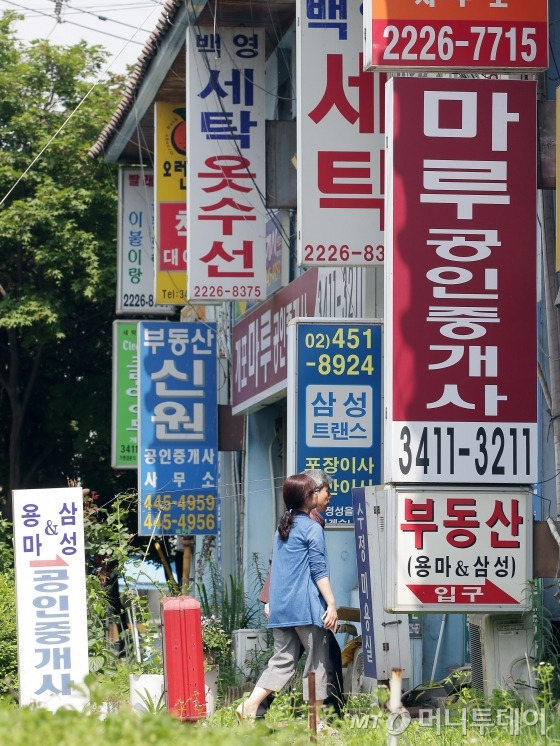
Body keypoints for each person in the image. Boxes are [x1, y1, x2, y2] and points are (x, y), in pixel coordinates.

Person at [236, 473, 338, 733]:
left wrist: (270, 601)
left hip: (281, 609)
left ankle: (250, 705)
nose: (319, 494)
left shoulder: (284, 525)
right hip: (306, 608)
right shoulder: (312, 527)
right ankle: (315, 723)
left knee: (282, 662)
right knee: (317, 664)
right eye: (316, 492)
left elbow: (278, 569)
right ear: (308, 497)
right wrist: (332, 604)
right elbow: (319, 571)